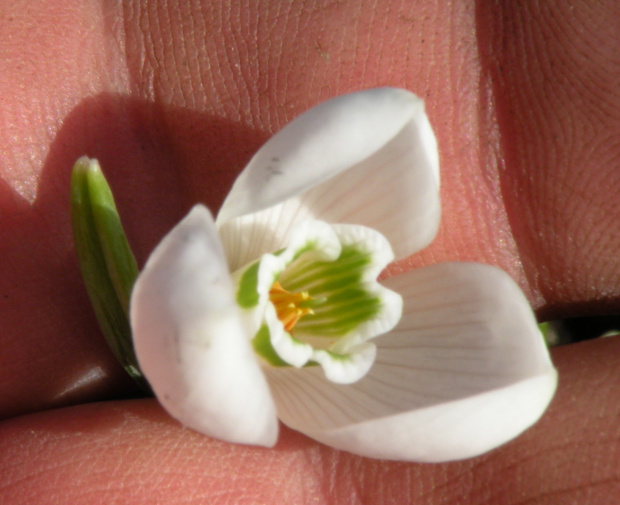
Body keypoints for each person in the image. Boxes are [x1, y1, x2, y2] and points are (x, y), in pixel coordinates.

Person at [0, 1, 618, 503]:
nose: (284, 304)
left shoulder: (482, 380)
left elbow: (509, 378)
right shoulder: (209, 296)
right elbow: (393, 125)